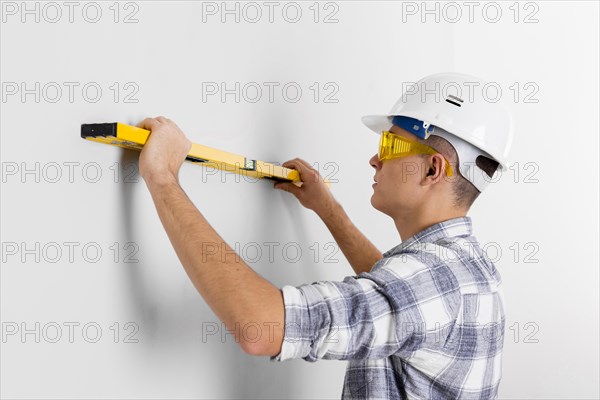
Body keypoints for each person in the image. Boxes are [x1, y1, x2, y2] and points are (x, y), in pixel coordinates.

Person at [137, 72, 513, 399]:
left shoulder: (432, 284)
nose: (375, 159)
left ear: (433, 170)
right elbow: (393, 300)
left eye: (390, 145)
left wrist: (163, 177)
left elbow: (261, 328)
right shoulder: (462, 269)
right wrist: (328, 210)